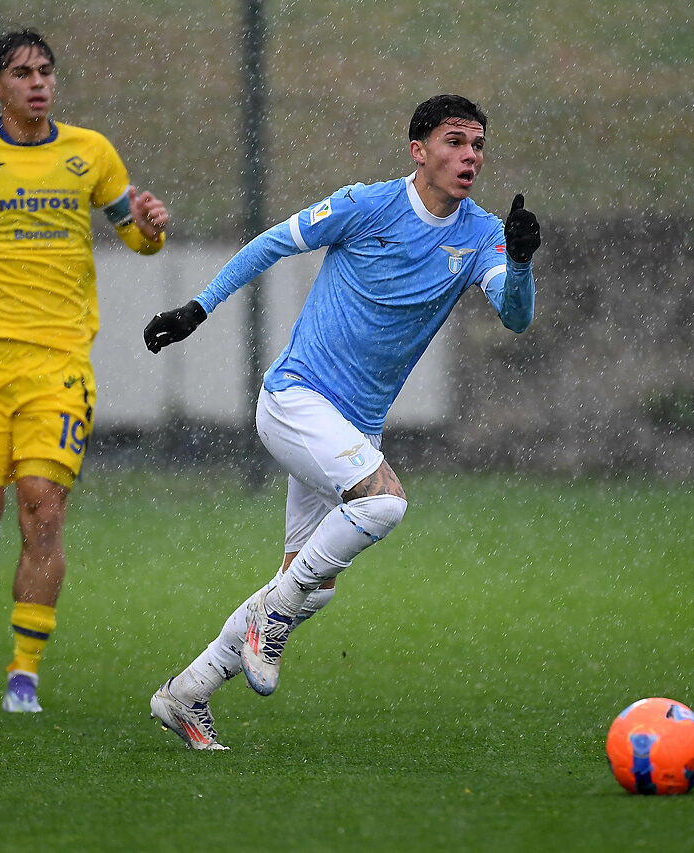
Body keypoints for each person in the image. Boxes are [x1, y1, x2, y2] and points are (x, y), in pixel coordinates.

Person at [143, 94, 541, 749]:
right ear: (418, 150)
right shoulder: (367, 205)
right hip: (294, 401)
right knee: (384, 505)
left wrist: (522, 264)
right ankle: (269, 615)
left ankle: (186, 693)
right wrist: (197, 308)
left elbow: (517, 315)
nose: (469, 155)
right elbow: (273, 244)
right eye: (453, 142)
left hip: (352, 432)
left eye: (477, 145)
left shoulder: (482, 234)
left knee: (311, 586)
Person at [0, 29, 168, 713]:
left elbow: (135, 237)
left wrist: (150, 226)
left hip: (60, 364)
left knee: (42, 505)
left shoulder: (90, 153)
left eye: (46, 71)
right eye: (22, 73)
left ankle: (24, 675)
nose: (38, 83)